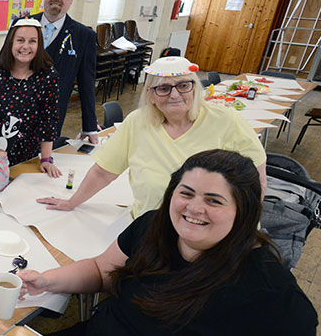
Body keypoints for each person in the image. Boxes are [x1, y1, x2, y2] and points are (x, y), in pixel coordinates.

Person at [18, 150, 320, 336]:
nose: (194, 208)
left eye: (214, 200)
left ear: (244, 211)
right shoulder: (155, 227)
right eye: (186, 193)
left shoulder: (270, 300)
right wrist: (48, 280)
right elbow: (101, 270)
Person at [39, 56, 267, 218]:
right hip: (151, 228)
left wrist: (243, 228)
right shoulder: (137, 123)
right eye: (164, 88)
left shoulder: (227, 121)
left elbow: (257, 180)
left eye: (183, 85)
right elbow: (102, 172)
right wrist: (72, 202)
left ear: (195, 88)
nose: (175, 94)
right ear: (151, 95)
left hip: (208, 232)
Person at [0, 19, 61, 174]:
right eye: (20, 40)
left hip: (21, 160)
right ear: (11, 42)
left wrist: (46, 159)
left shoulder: (47, 77)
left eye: (32, 41)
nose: (25, 47)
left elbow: (47, 120)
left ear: (39, 45)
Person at [16, 0, 98, 140]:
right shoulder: (22, 25)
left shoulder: (84, 36)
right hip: (15, 109)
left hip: (51, 116)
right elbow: (3, 68)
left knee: (42, 162)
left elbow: (86, 83)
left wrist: (90, 126)